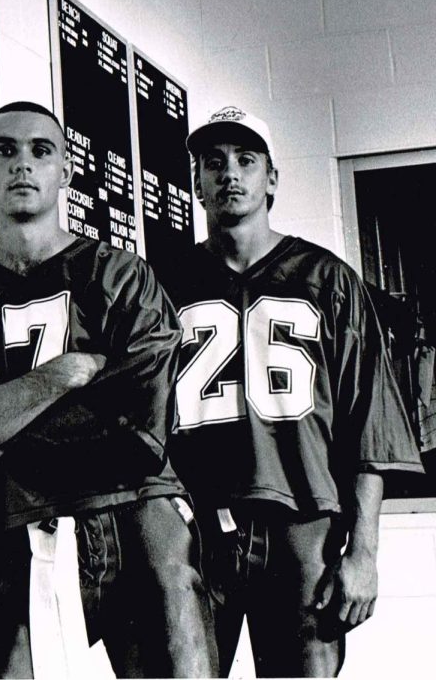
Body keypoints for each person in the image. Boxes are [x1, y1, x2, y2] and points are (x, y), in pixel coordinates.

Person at [0, 101, 216, 678]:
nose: (22, 164)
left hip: (138, 512)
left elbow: (138, 426)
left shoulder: (120, 274)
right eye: (5, 151)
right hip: (23, 526)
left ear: (66, 170)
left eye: (40, 150)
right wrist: (61, 376)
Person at [161, 105, 423, 677]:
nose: (230, 173)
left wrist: (365, 553)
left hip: (305, 524)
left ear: (272, 177)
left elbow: (367, 429)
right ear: (198, 184)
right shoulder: (165, 284)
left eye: (246, 160)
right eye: (214, 162)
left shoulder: (327, 279)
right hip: (196, 527)